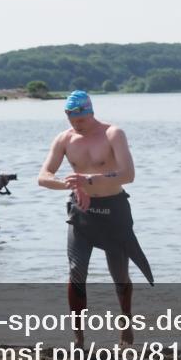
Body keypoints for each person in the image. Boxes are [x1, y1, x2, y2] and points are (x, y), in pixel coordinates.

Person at [38, 91, 153, 346]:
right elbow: (43, 176)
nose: (76, 123)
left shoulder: (113, 134)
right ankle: (78, 338)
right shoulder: (64, 139)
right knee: (76, 271)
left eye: (80, 118)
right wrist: (69, 185)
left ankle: (126, 321)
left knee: (119, 273)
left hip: (114, 211)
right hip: (82, 212)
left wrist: (89, 180)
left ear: (90, 112)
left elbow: (128, 174)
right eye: (70, 118)